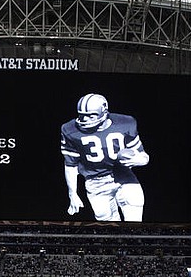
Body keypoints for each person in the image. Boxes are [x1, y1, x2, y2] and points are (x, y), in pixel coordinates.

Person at [61, 93, 149, 222]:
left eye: (91, 115)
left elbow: (143, 155)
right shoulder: (70, 130)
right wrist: (72, 193)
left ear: (104, 112)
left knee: (134, 217)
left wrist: (141, 160)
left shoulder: (125, 123)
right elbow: (70, 164)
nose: (85, 120)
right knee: (107, 223)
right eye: (82, 115)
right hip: (95, 181)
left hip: (123, 176)